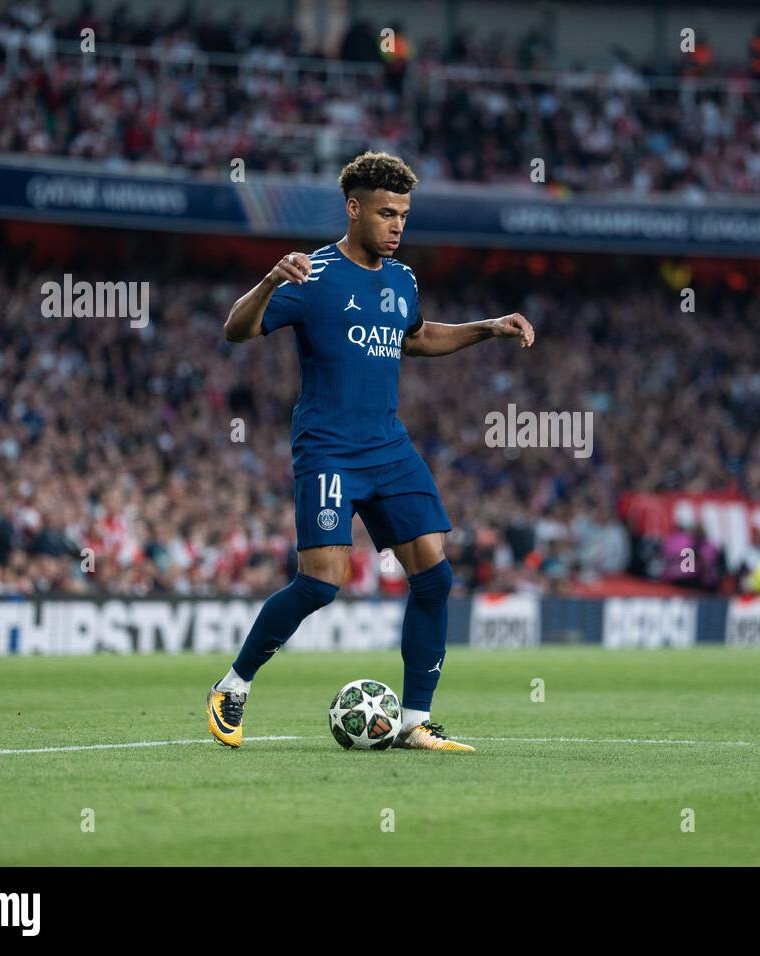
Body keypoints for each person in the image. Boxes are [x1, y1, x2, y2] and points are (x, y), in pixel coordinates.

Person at [208, 151, 535, 752]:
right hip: (327, 449)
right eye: (386, 213)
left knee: (435, 574)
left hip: (388, 446)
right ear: (354, 209)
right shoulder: (312, 275)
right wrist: (271, 281)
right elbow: (235, 328)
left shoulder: (403, 279)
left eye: (404, 215)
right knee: (322, 582)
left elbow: (417, 337)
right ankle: (233, 684)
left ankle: (414, 722)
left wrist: (486, 328)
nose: (397, 226)